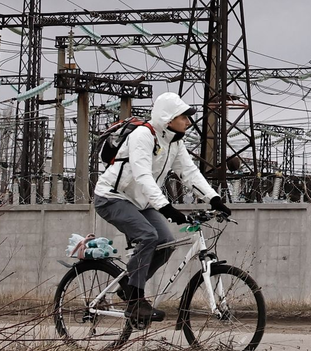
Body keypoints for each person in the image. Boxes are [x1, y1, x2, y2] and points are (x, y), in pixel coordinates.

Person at [93, 92, 232, 327]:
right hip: (111, 197)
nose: (188, 121)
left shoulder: (174, 142)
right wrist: (167, 208)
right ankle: (137, 298)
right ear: (168, 118)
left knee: (165, 242)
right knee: (148, 236)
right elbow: (142, 175)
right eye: (183, 117)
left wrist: (214, 198)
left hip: (141, 202)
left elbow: (189, 173)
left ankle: (129, 286)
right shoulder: (143, 136)